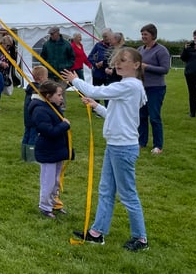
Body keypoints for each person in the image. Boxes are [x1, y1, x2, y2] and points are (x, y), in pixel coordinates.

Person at [62, 48, 149, 252]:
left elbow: (96, 91)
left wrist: (76, 80)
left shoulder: (130, 85)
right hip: (115, 145)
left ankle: (141, 238)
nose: (118, 64)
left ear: (136, 65)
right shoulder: (128, 86)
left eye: (123, 60)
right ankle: (97, 233)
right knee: (106, 191)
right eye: (116, 61)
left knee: (128, 194)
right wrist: (96, 107)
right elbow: (114, 114)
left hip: (123, 148)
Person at [31, 80, 71, 218]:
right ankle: (44, 206)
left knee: (56, 180)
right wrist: (64, 126)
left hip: (57, 150)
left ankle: (54, 203)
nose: (61, 98)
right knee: (48, 181)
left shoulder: (53, 107)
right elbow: (49, 131)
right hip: (48, 151)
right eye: (59, 95)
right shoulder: (40, 110)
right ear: (48, 96)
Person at [137, 23, 170, 154]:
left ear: (153, 35)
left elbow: (165, 69)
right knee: (141, 116)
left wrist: (147, 67)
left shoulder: (161, 50)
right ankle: (141, 142)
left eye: (146, 34)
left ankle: (158, 145)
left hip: (156, 88)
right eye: (142, 34)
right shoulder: (140, 49)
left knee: (154, 117)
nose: (143, 36)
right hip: (142, 88)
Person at [22, 66, 49, 161]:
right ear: (41, 78)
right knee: (33, 136)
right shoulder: (37, 90)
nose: (47, 79)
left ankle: (24, 155)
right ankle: (31, 157)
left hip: (27, 117)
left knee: (27, 134)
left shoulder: (30, 88)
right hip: (33, 118)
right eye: (46, 77)